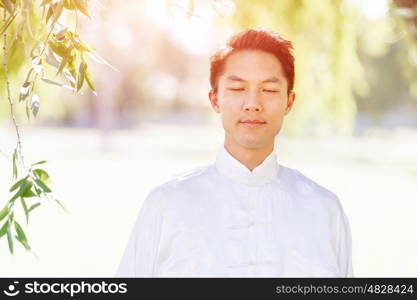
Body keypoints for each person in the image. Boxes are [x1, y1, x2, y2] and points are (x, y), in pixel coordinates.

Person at [115, 28, 353, 277]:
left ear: (289, 102)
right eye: (238, 89)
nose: (252, 103)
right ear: (215, 99)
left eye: (269, 90)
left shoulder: (323, 210)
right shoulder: (167, 204)